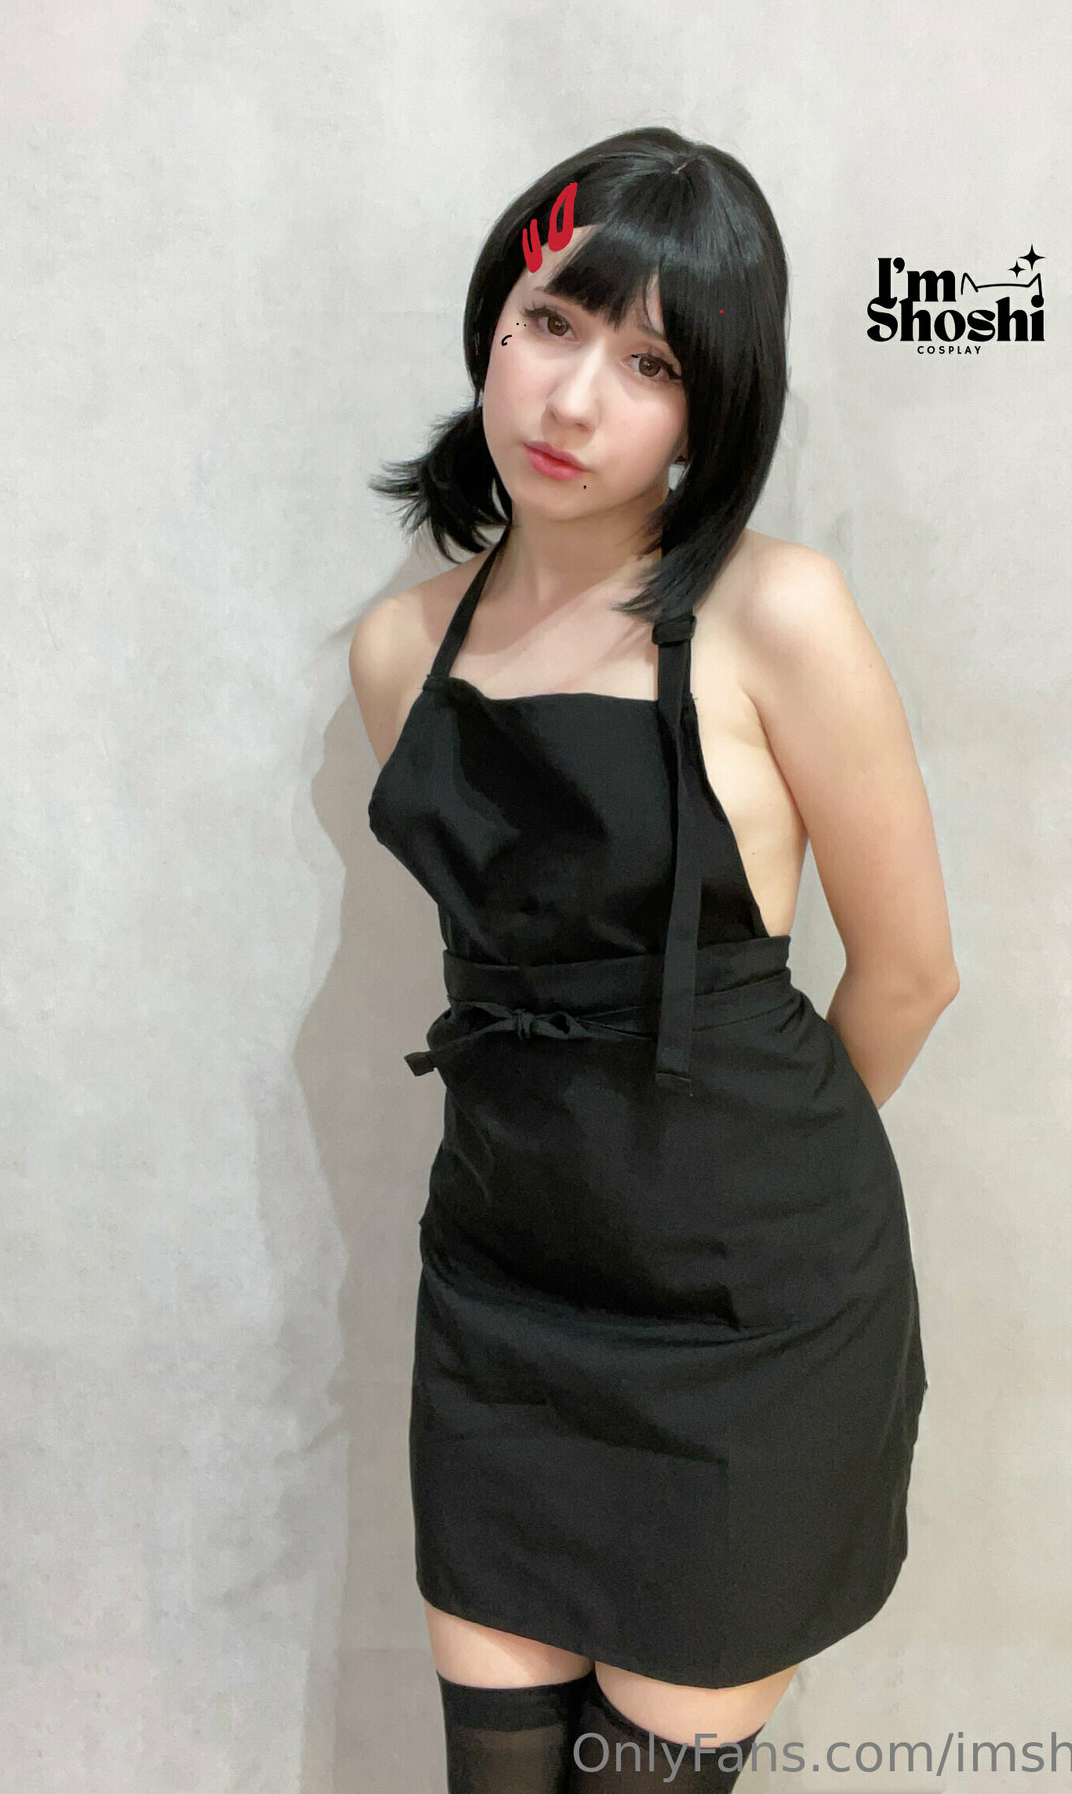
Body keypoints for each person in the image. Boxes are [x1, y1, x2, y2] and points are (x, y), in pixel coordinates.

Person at [350, 127, 959, 1793]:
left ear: (712, 409)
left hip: (750, 1319)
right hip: (506, 1287)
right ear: (493, 319)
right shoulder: (400, 650)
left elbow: (910, 972)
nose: (573, 399)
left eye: (650, 363)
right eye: (552, 323)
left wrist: (738, 1184)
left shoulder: (779, 614)